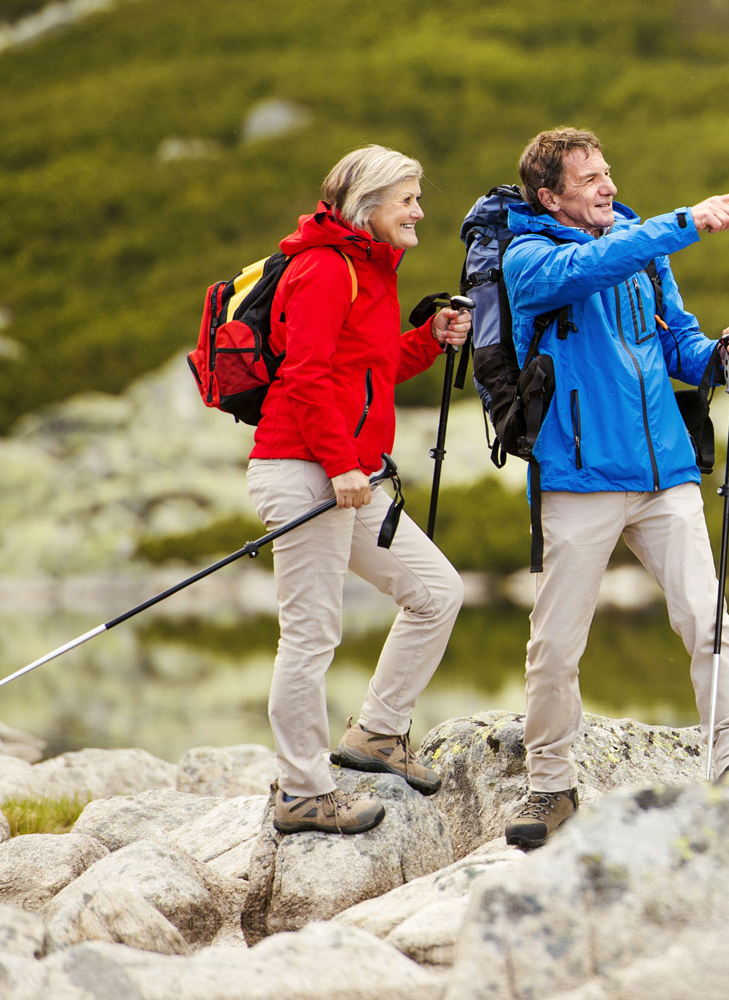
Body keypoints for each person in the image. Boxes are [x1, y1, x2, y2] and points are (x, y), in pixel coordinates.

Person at [499, 126, 729, 849]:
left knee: (706, 618)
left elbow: (675, 340)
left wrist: (715, 356)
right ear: (550, 196)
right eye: (590, 179)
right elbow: (584, 271)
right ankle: (551, 786)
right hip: (579, 477)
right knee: (556, 645)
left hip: (664, 474)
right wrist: (679, 224)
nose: (608, 186)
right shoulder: (527, 257)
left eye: (608, 172)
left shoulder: (642, 249)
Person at [248, 145, 473, 835]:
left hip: (348, 471)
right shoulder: (322, 268)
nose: (418, 210)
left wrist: (429, 338)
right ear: (367, 204)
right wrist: (343, 465)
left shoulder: (369, 270)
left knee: (436, 594)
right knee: (312, 635)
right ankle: (302, 792)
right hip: (306, 469)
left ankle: (376, 733)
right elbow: (306, 378)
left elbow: (367, 369)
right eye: (407, 198)